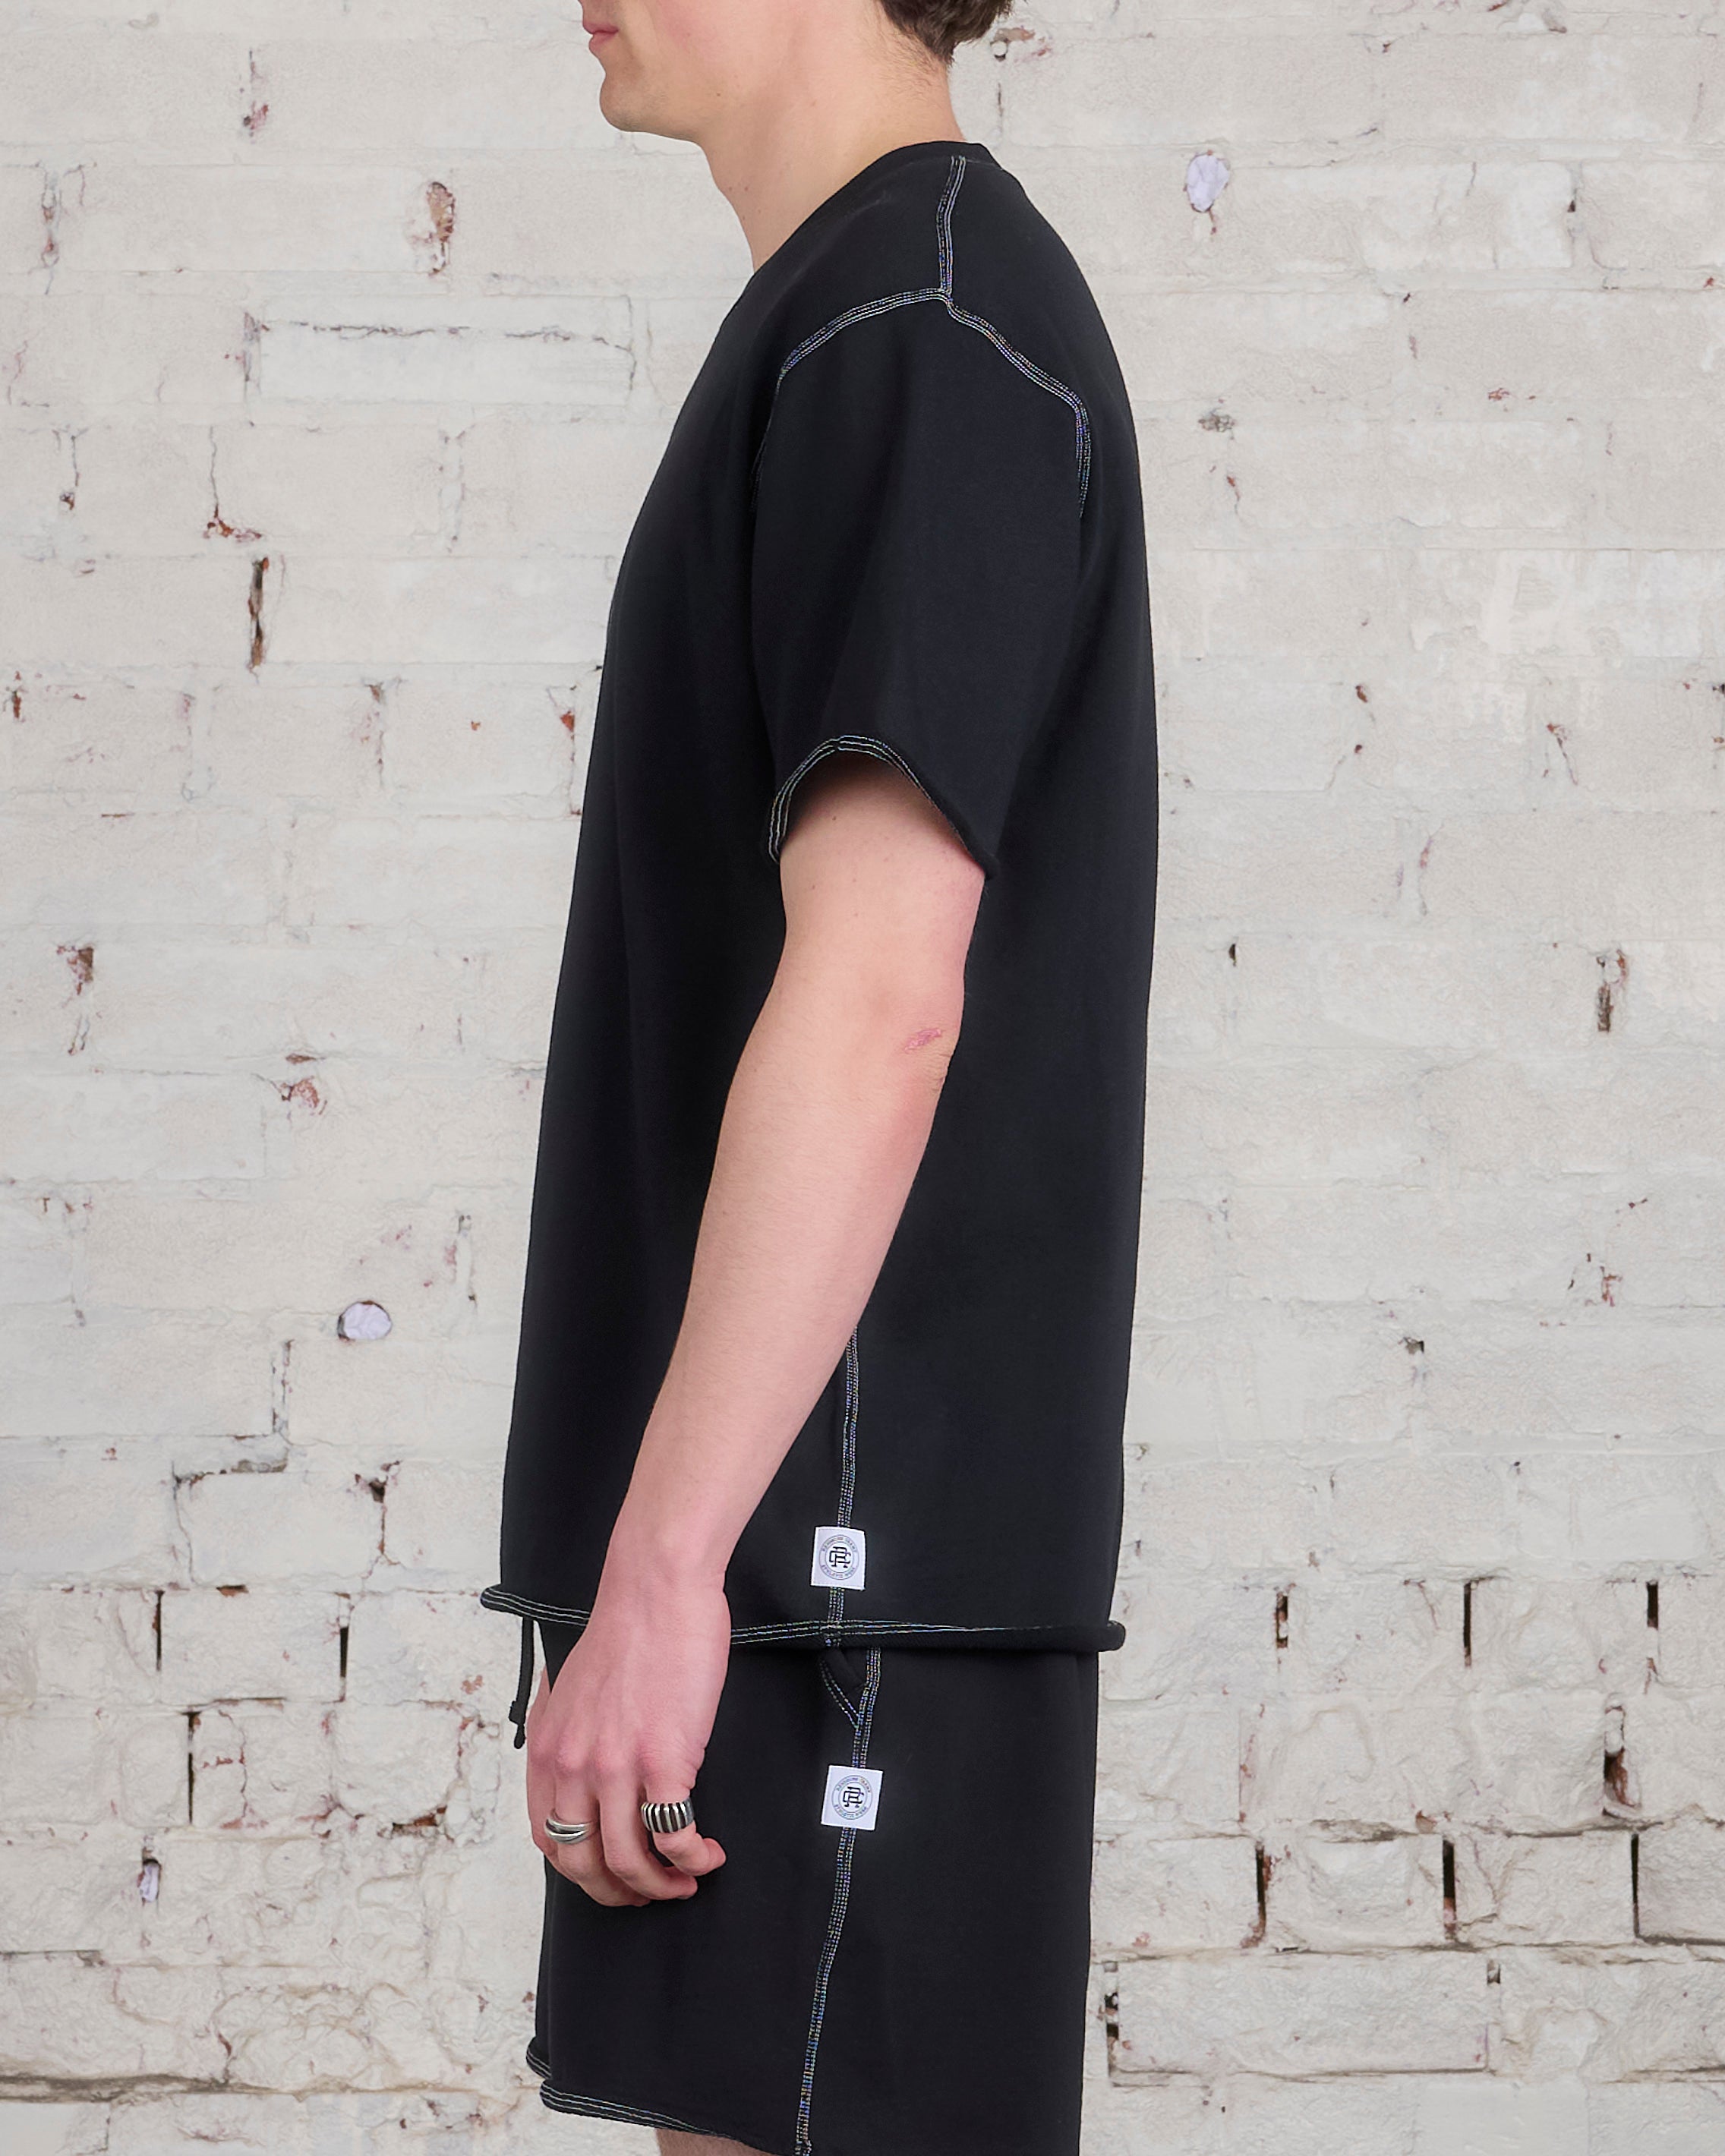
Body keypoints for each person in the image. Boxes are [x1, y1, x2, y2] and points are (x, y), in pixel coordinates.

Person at [479, 2, 1157, 2151]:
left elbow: (883, 992)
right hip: (819, 1558)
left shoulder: (919, 335)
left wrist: (668, 1570)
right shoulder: (872, 311)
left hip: (837, 1570)